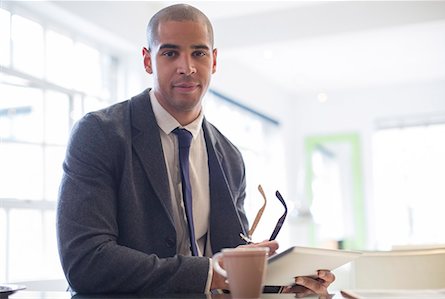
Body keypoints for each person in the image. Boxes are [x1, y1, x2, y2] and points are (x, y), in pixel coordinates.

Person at [56, 3, 335, 296]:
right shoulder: (99, 134)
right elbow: (85, 262)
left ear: (213, 61)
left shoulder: (230, 157)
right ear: (148, 60)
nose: (187, 67)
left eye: (199, 53)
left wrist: (285, 284)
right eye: (170, 53)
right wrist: (207, 273)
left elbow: (229, 268)